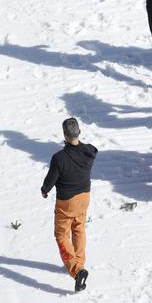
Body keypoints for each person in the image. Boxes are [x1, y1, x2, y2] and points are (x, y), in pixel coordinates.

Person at [40, 118, 97, 292]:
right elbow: (91, 148)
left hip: (67, 201)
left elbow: (51, 180)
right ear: (79, 132)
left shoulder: (59, 158)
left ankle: (76, 270)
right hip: (84, 197)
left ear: (65, 135)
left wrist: (45, 190)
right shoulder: (89, 152)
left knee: (61, 234)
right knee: (79, 228)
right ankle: (79, 262)